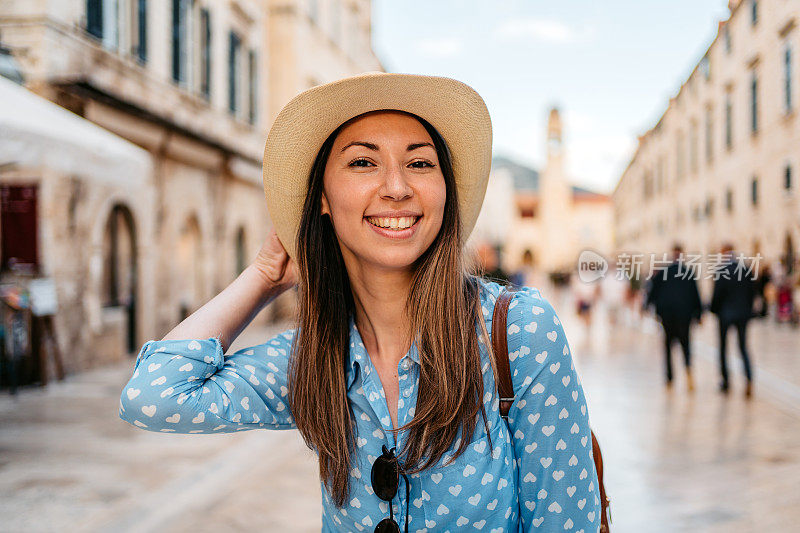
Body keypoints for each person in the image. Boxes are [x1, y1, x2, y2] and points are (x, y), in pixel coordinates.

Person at [118, 72, 602, 532]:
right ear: (323, 197)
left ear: (445, 193)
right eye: (363, 162)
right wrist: (264, 276)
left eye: (419, 163)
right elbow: (155, 393)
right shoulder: (314, 358)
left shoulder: (516, 334)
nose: (396, 187)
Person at [644, 244, 703, 391]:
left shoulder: (664, 271)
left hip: (668, 314)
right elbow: (695, 294)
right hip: (684, 315)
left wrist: (647, 306)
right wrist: (699, 314)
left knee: (668, 346)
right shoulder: (688, 272)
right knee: (685, 345)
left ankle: (670, 377)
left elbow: (653, 291)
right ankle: (688, 370)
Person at [710, 243, 756, 397]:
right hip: (742, 314)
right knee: (743, 346)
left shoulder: (721, 270)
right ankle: (749, 378)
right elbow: (752, 292)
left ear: (723, 252)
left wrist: (713, 310)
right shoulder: (745, 268)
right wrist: (747, 310)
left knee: (723, 348)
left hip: (725, 315)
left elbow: (717, 295)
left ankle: (726, 381)